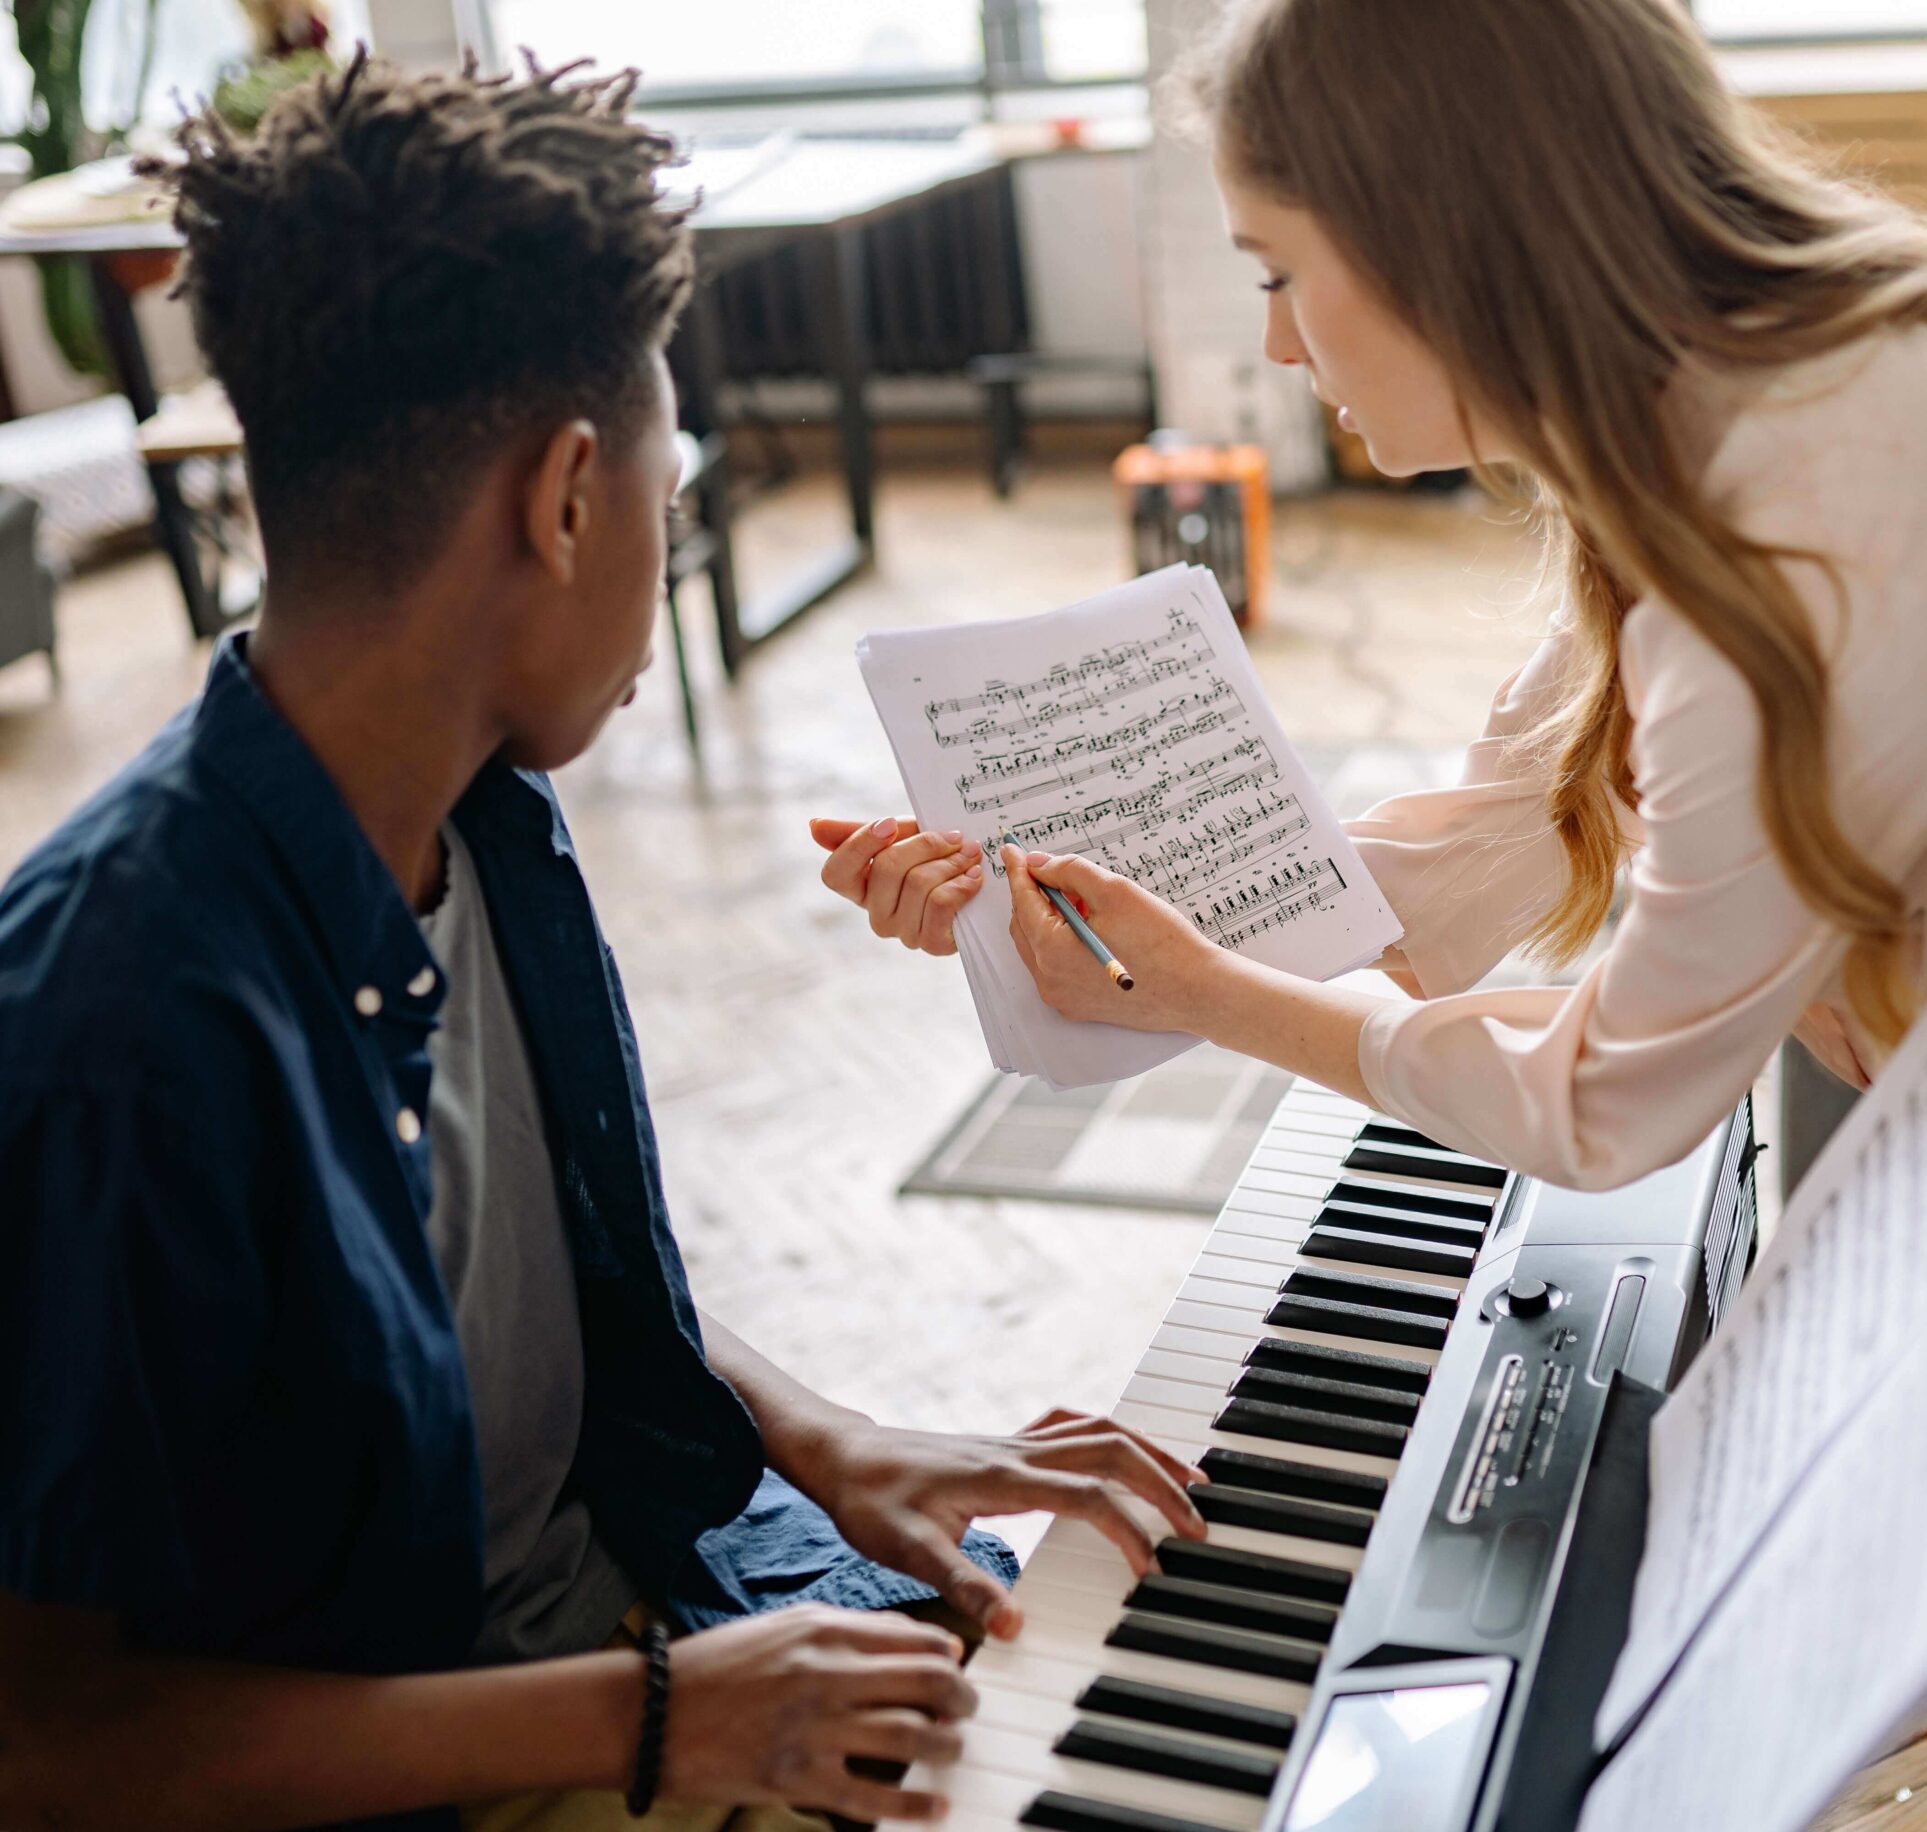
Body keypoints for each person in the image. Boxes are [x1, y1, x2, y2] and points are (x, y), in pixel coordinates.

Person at [817, 1, 1927, 1825]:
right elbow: (1474, 860)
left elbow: (1605, 1106)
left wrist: (1219, 993)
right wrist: (1073, 927)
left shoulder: (1820, 530)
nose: (1270, 340)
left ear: (1443, 242)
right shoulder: (1720, 402)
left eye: (1279, 271)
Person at [0, 57, 1206, 1832]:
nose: (673, 528)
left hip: (662, 1595)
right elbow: (44, 1747)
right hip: (476, 1761)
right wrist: (648, 1720)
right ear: (567, 500)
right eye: (670, 480)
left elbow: (536, 1304)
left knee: (1161, 1686)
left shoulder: (482, 807)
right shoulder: (110, 1025)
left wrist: (829, 1436)